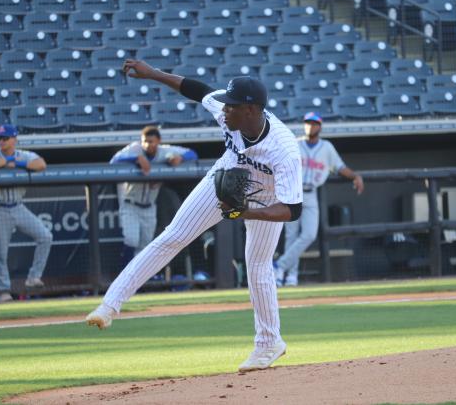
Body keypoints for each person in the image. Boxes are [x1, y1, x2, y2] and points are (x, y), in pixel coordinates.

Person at [86, 60, 303, 373]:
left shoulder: (284, 150)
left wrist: (247, 213)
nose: (224, 109)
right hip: (226, 176)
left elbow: (292, 210)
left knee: (257, 265)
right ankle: (109, 305)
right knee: (174, 234)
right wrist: (152, 74)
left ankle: (269, 343)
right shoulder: (228, 111)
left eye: (232, 106)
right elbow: (198, 90)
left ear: (251, 110)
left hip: (268, 197)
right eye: (225, 105)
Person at [274, 112, 364, 287]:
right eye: (307, 122)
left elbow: (340, 167)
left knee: (309, 234)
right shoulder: (295, 143)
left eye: (314, 123)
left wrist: (355, 176)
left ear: (320, 126)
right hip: (293, 192)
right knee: (291, 236)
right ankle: (290, 276)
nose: (310, 126)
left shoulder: (327, 147)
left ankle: (279, 266)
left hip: (311, 193)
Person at [0, 125, 53, 302]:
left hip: (18, 206)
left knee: (45, 236)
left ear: (14, 139)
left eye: (5, 138)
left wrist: (19, 163)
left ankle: (33, 278)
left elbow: (41, 164)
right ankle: (3, 291)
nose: (1, 141)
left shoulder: (24, 155)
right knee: (0, 253)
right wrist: (9, 163)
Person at [111, 126, 198, 267]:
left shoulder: (165, 151)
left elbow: (192, 154)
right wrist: (136, 159)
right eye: (145, 141)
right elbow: (114, 161)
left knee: (145, 246)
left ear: (158, 141)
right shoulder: (134, 149)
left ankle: (140, 280)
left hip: (149, 206)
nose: (147, 145)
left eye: (151, 141)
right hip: (130, 204)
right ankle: (124, 273)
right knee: (132, 240)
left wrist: (179, 158)